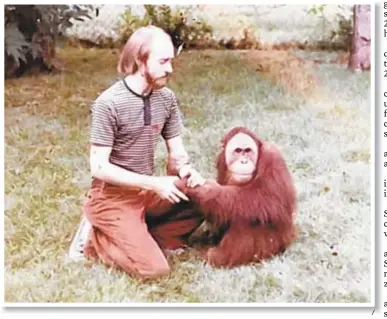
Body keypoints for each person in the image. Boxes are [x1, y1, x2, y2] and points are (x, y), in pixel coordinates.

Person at [81, 25, 205, 279]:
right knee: (154, 270)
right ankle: (96, 239)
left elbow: (177, 153)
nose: (170, 69)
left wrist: (186, 172)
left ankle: (153, 238)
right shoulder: (109, 103)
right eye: (163, 61)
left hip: (146, 192)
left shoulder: (166, 98)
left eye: (171, 60)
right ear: (140, 60)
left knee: (206, 195)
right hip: (112, 198)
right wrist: (153, 183)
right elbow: (99, 167)